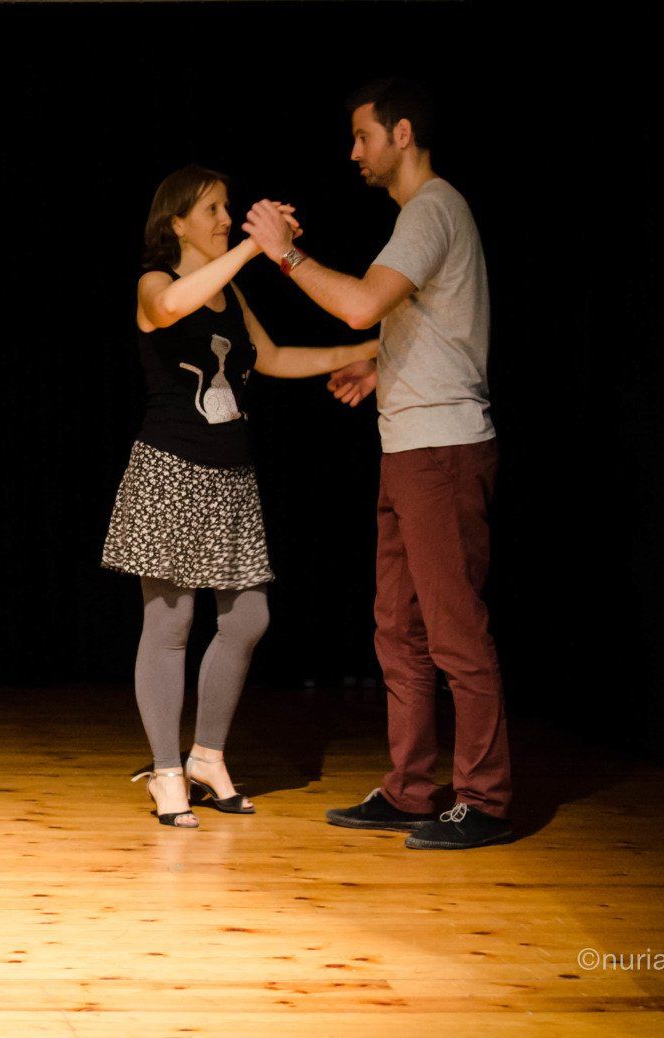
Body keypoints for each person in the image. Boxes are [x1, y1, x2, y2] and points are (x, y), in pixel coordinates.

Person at [242, 77, 513, 851]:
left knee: (454, 631)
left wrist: (284, 253)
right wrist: (381, 366)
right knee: (398, 631)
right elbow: (418, 319)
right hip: (409, 448)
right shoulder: (419, 216)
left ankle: (486, 799)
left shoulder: (431, 208)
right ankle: (411, 789)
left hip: (441, 450)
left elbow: (363, 304)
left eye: (362, 136)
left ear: (401, 133)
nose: (353, 151)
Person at [106, 166, 378, 828]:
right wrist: (257, 247)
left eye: (228, 208)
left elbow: (272, 357)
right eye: (212, 210)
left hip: (231, 476)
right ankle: (166, 771)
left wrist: (375, 345)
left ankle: (206, 757)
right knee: (170, 625)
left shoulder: (230, 293)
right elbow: (168, 309)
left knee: (248, 618)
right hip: (171, 471)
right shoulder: (155, 283)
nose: (226, 219)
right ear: (176, 223)